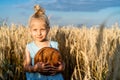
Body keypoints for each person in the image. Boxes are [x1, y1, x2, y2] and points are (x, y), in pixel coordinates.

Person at [23, 4, 65, 80]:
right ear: (30, 31)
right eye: (35, 30)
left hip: (54, 78)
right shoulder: (29, 47)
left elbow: (61, 63)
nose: (39, 33)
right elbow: (26, 67)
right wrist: (35, 68)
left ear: (48, 29)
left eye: (42, 29)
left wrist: (60, 68)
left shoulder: (54, 45)